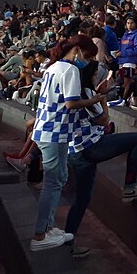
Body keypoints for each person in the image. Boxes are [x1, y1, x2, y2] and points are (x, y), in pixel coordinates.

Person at [64, 58, 137, 257]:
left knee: (82, 199)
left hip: (75, 151)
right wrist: (103, 98)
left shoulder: (74, 92)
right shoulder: (86, 93)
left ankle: (68, 242)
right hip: (90, 147)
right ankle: (130, 186)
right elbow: (104, 120)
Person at [31, 35, 108, 252]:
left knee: (59, 179)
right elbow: (71, 102)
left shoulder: (53, 67)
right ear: (77, 50)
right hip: (54, 132)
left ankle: (47, 228)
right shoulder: (70, 69)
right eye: (88, 55)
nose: (87, 60)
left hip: (50, 131)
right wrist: (96, 99)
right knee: (53, 182)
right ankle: (39, 234)